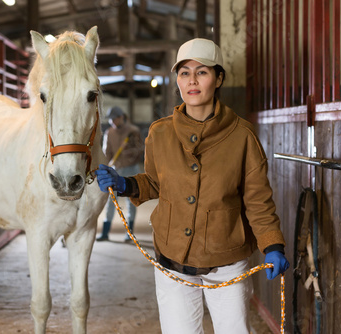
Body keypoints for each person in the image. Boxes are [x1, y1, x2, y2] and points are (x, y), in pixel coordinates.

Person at [95, 38, 289, 333]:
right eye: (184, 73)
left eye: (202, 72)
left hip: (226, 259)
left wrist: (272, 244)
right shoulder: (159, 133)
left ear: (219, 78)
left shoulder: (243, 137)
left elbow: (258, 200)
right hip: (172, 258)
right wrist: (125, 184)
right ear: (177, 80)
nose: (192, 81)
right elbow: (155, 182)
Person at [96, 106, 144, 242]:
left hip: (131, 170)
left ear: (121, 117)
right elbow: (106, 153)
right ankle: (105, 232)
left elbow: (140, 149)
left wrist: (128, 153)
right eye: (110, 120)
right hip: (115, 170)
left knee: (131, 201)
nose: (112, 122)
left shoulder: (133, 131)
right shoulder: (109, 133)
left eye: (113, 119)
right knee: (111, 202)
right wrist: (104, 166)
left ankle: (129, 233)